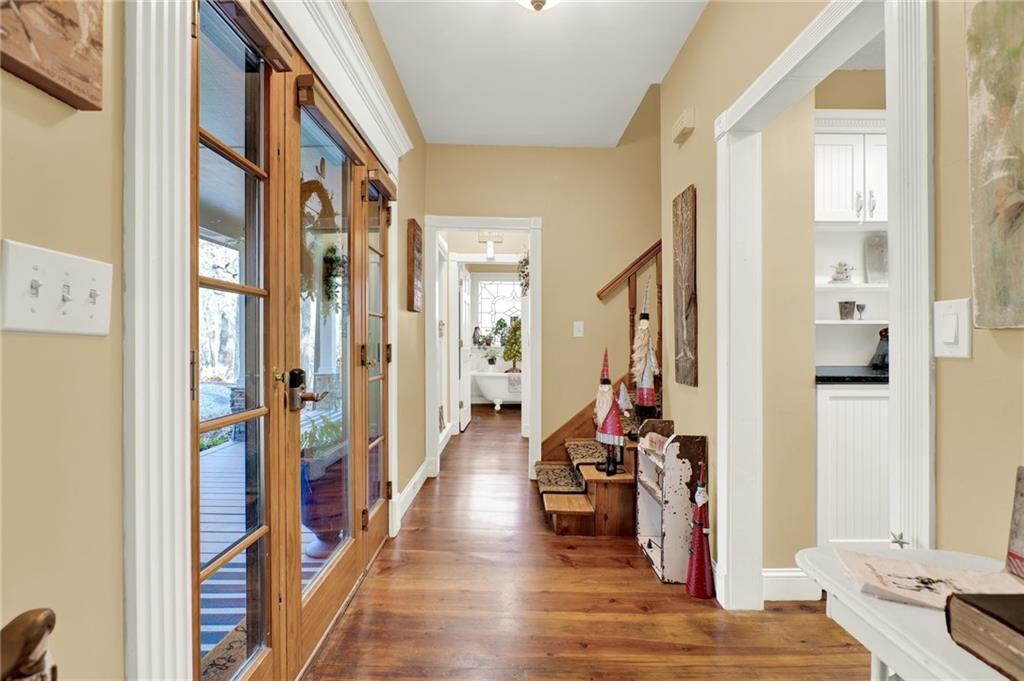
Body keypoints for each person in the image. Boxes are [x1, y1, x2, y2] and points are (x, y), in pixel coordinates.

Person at [631, 277, 660, 421]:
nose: (643, 324)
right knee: (640, 386)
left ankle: (648, 412)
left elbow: (651, 351)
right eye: (641, 322)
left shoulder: (648, 338)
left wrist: (655, 366)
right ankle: (640, 411)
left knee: (647, 384)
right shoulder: (638, 338)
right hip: (640, 367)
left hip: (647, 366)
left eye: (645, 322)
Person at [594, 348, 625, 476]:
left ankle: (612, 462)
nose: (604, 388)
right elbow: (598, 406)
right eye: (603, 386)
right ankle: (608, 461)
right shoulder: (601, 397)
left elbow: (619, 403)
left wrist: (625, 411)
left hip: (612, 424)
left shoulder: (612, 396)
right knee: (606, 443)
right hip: (604, 425)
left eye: (606, 386)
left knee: (611, 443)